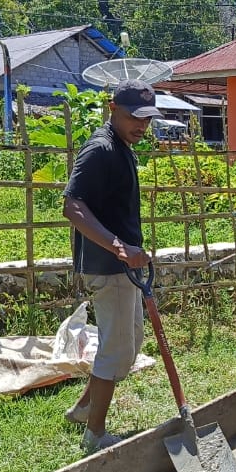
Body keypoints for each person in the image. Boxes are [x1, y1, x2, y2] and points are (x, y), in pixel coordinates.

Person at [61, 83, 160, 452]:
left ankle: (84, 408)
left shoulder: (122, 148)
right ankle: (96, 435)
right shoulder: (101, 149)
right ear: (113, 108)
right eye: (134, 116)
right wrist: (120, 247)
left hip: (123, 267)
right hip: (108, 265)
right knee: (117, 350)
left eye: (147, 118)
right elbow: (72, 206)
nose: (141, 125)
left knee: (129, 343)